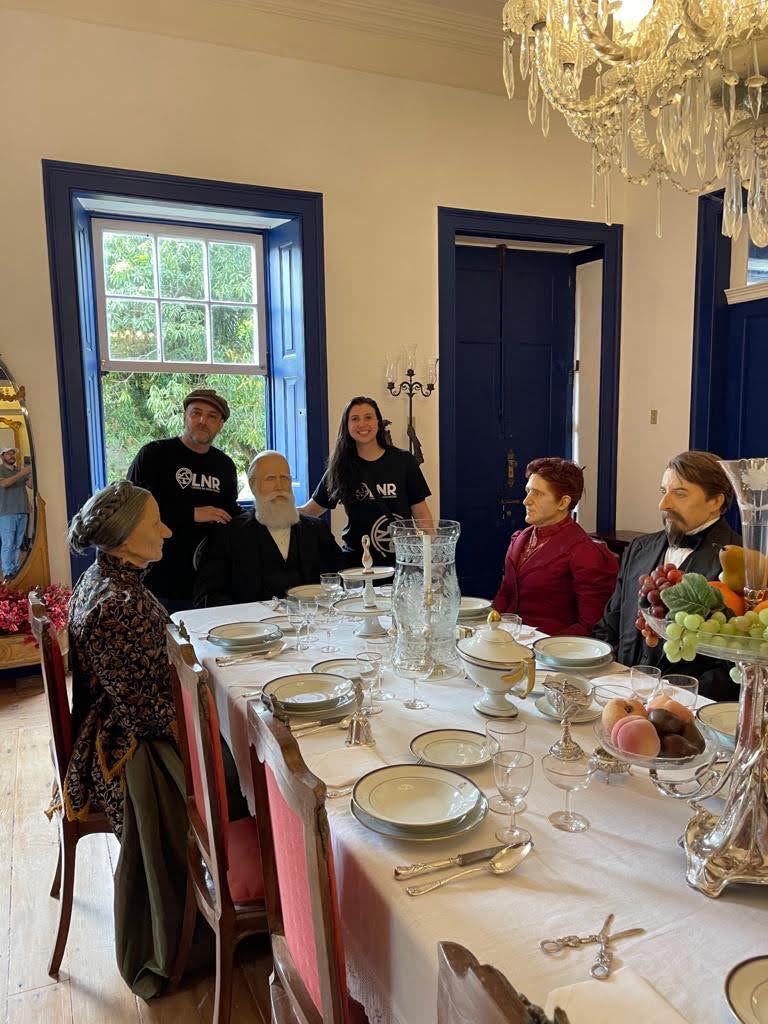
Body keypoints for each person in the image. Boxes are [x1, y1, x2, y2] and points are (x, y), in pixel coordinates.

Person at [64, 480, 185, 999]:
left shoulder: (111, 579)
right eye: (155, 522)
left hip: (123, 721)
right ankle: (208, 916)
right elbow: (145, 714)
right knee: (239, 768)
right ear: (125, 536)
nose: (167, 531)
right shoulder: (115, 604)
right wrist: (207, 717)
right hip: (123, 747)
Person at [595, 450, 741, 700]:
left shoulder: (742, 561)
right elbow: (609, 624)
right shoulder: (639, 548)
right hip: (619, 693)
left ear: (716, 501)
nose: (663, 505)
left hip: (688, 705)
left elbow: (736, 667)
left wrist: (673, 695)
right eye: (663, 491)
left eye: (680, 493)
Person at [126, 388, 239, 613]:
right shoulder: (154, 454)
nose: (202, 421)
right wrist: (192, 513)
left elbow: (229, 511)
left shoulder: (225, 465)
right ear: (185, 416)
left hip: (208, 581)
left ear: (220, 425)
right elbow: (132, 509)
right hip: (158, 578)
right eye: (196, 413)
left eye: (211, 416)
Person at [298, 396, 434, 566]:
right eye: (355, 419)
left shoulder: (404, 461)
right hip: (357, 565)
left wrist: (433, 557)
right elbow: (311, 511)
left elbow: (421, 513)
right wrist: (275, 512)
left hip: (402, 561)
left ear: (378, 421)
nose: (362, 424)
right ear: (347, 426)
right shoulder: (340, 467)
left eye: (368, 417)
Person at [194, 450, 343, 606]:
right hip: (253, 620)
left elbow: (340, 581)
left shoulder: (316, 530)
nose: (279, 486)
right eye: (270, 478)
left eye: (284, 478)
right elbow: (207, 596)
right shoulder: (229, 534)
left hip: (312, 617)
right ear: (253, 485)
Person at [492, 458, 618, 636]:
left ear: (563, 503)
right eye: (528, 491)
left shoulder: (585, 552)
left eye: (537, 494)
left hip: (554, 647)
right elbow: (505, 593)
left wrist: (544, 647)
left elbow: (591, 626)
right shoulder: (520, 538)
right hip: (507, 639)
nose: (526, 501)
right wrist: (488, 628)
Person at [0, 447, 32, 579]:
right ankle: (7, 572)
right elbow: (4, 484)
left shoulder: (20, 470)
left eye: (13, 453)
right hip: (6, 513)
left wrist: (31, 473)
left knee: (17, 544)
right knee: (8, 543)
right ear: (2, 456)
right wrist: (22, 473)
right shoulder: (1, 470)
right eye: (8, 453)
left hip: (22, 510)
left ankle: (15, 570)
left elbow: (31, 486)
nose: (12, 455)